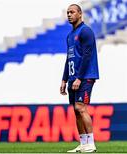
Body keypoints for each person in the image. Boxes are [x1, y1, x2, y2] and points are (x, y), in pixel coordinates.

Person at [60, 4, 99, 153]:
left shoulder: (86, 31)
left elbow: (87, 56)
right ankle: (83, 143)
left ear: (80, 14)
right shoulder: (70, 36)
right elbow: (68, 58)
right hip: (72, 77)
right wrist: (64, 79)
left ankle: (91, 143)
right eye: (67, 12)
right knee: (76, 111)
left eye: (72, 12)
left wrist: (79, 78)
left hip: (85, 76)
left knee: (80, 107)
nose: (69, 15)